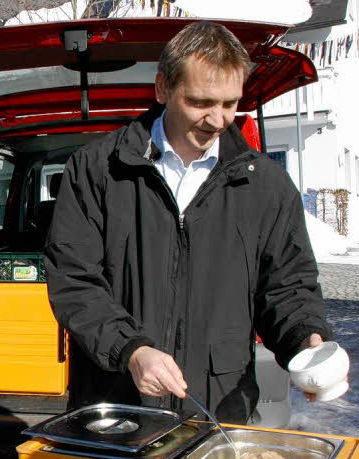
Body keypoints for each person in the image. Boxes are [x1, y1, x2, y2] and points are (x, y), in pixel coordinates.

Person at [45, 21, 332, 422]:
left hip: (219, 411)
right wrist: (131, 350)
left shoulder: (265, 184)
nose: (217, 120)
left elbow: (288, 286)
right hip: (116, 409)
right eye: (201, 102)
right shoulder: (97, 170)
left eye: (230, 103)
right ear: (163, 88)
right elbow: (73, 281)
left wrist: (306, 339)